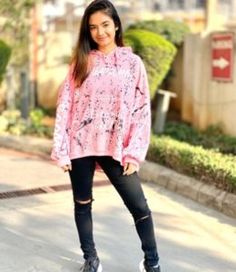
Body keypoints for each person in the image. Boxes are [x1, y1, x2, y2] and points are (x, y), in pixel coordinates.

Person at [51, 0, 161, 271]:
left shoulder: (132, 63)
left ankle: (152, 262)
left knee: (139, 206)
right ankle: (91, 258)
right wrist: (62, 148)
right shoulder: (80, 63)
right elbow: (66, 104)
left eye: (105, 25)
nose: (100, 32)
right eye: (93, 28)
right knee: (82, 203)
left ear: (116, 25)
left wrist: (134, 153)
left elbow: (141, 109)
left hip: (116, 146)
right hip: (80, 144)